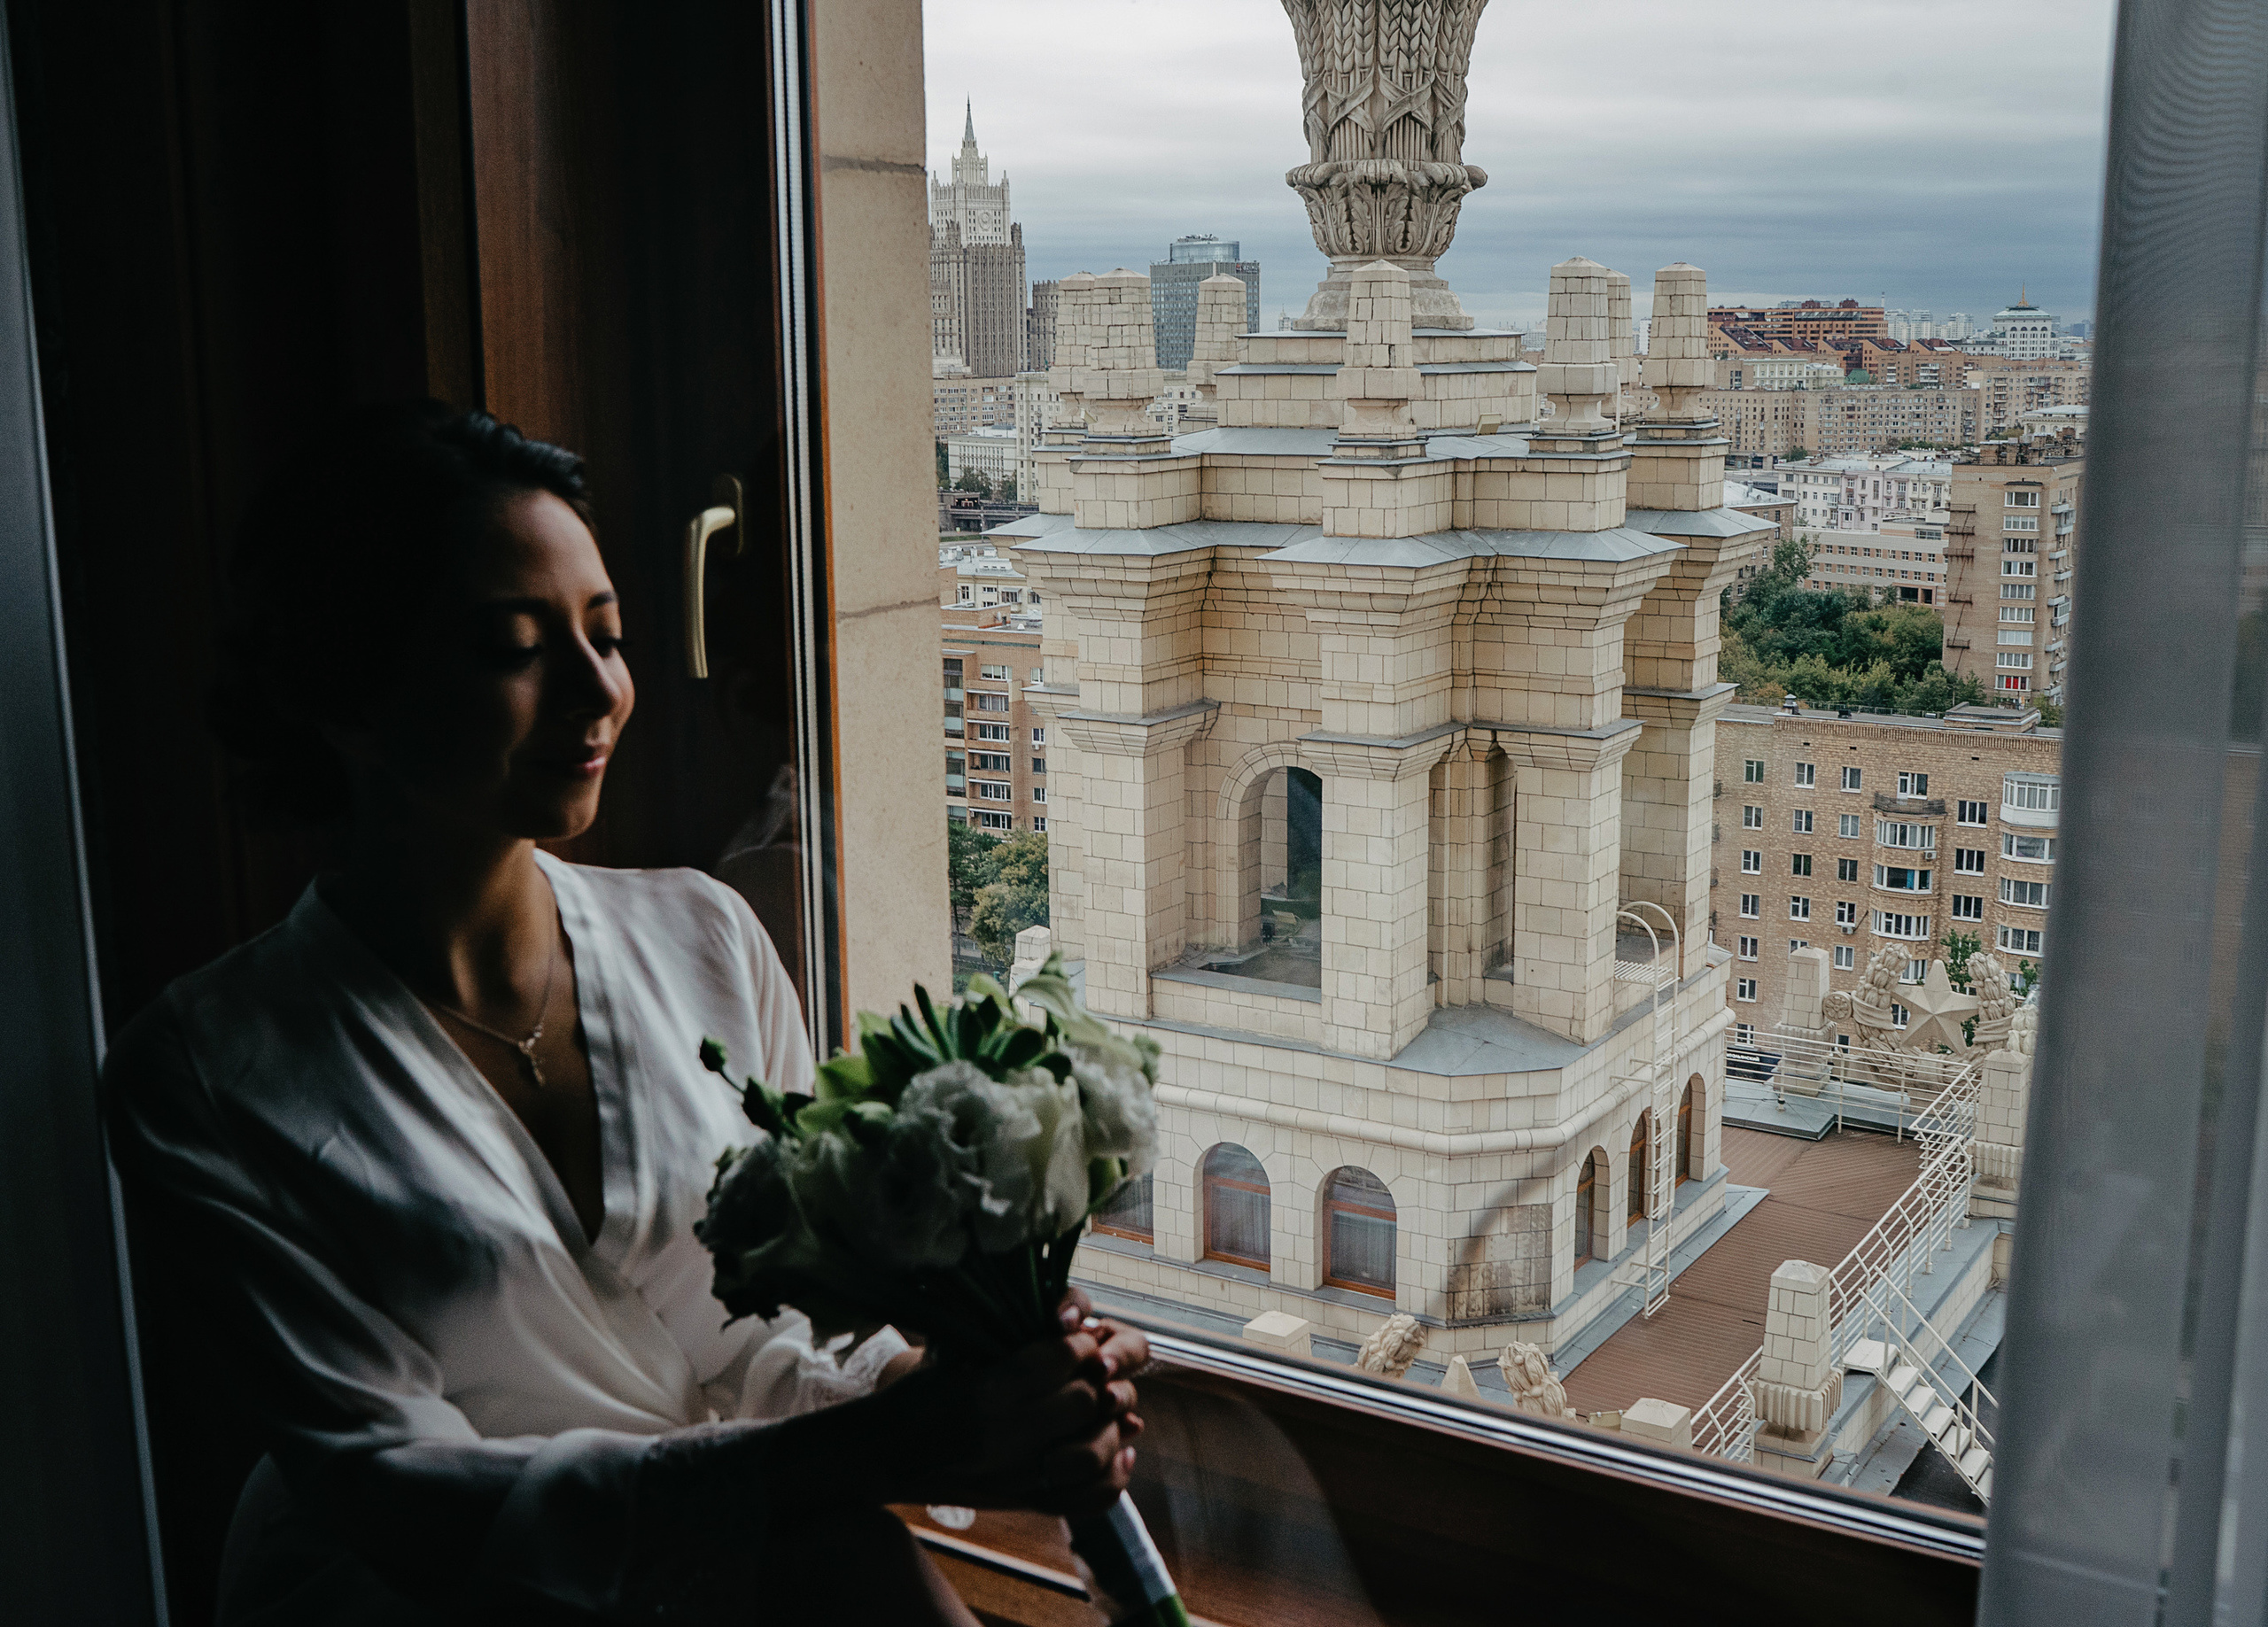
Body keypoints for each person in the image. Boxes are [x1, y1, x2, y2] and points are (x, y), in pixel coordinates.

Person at [105, 402, 1146, 1623]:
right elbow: (403, 1493)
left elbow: (780, 1341)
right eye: (513, 645)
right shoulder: (205, 1073)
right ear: (349, 691)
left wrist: (985, 1383)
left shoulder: (704, 935)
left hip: (754, 1562)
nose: (596, 690)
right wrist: (874, 1453)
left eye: (610, 634)